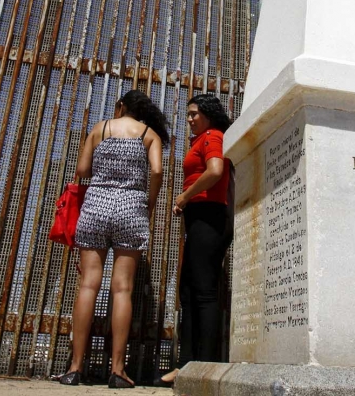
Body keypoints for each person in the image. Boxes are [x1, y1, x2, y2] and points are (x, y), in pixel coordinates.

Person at [59, 90, 169, 388]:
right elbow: (157, 170)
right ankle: (118, 371)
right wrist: (150, 201)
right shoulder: (150, 135)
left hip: (95, 205)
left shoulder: (101, 128)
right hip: (131, 208)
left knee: (88, 285)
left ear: (121, 107)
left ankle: (75, 368)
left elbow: (82, 170)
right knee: (122, 290)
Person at [161, 94, 233, 385]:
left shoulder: (212, 136)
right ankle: (187, 365)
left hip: (211, 216)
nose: (189, 118)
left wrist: (184, 196)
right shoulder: (199, 140)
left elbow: (215, 171)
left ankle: (204, 367)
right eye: (188, 114)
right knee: (189, 292)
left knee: (203, 291)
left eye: (194, 114)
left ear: (208, 115)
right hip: (199, 217)